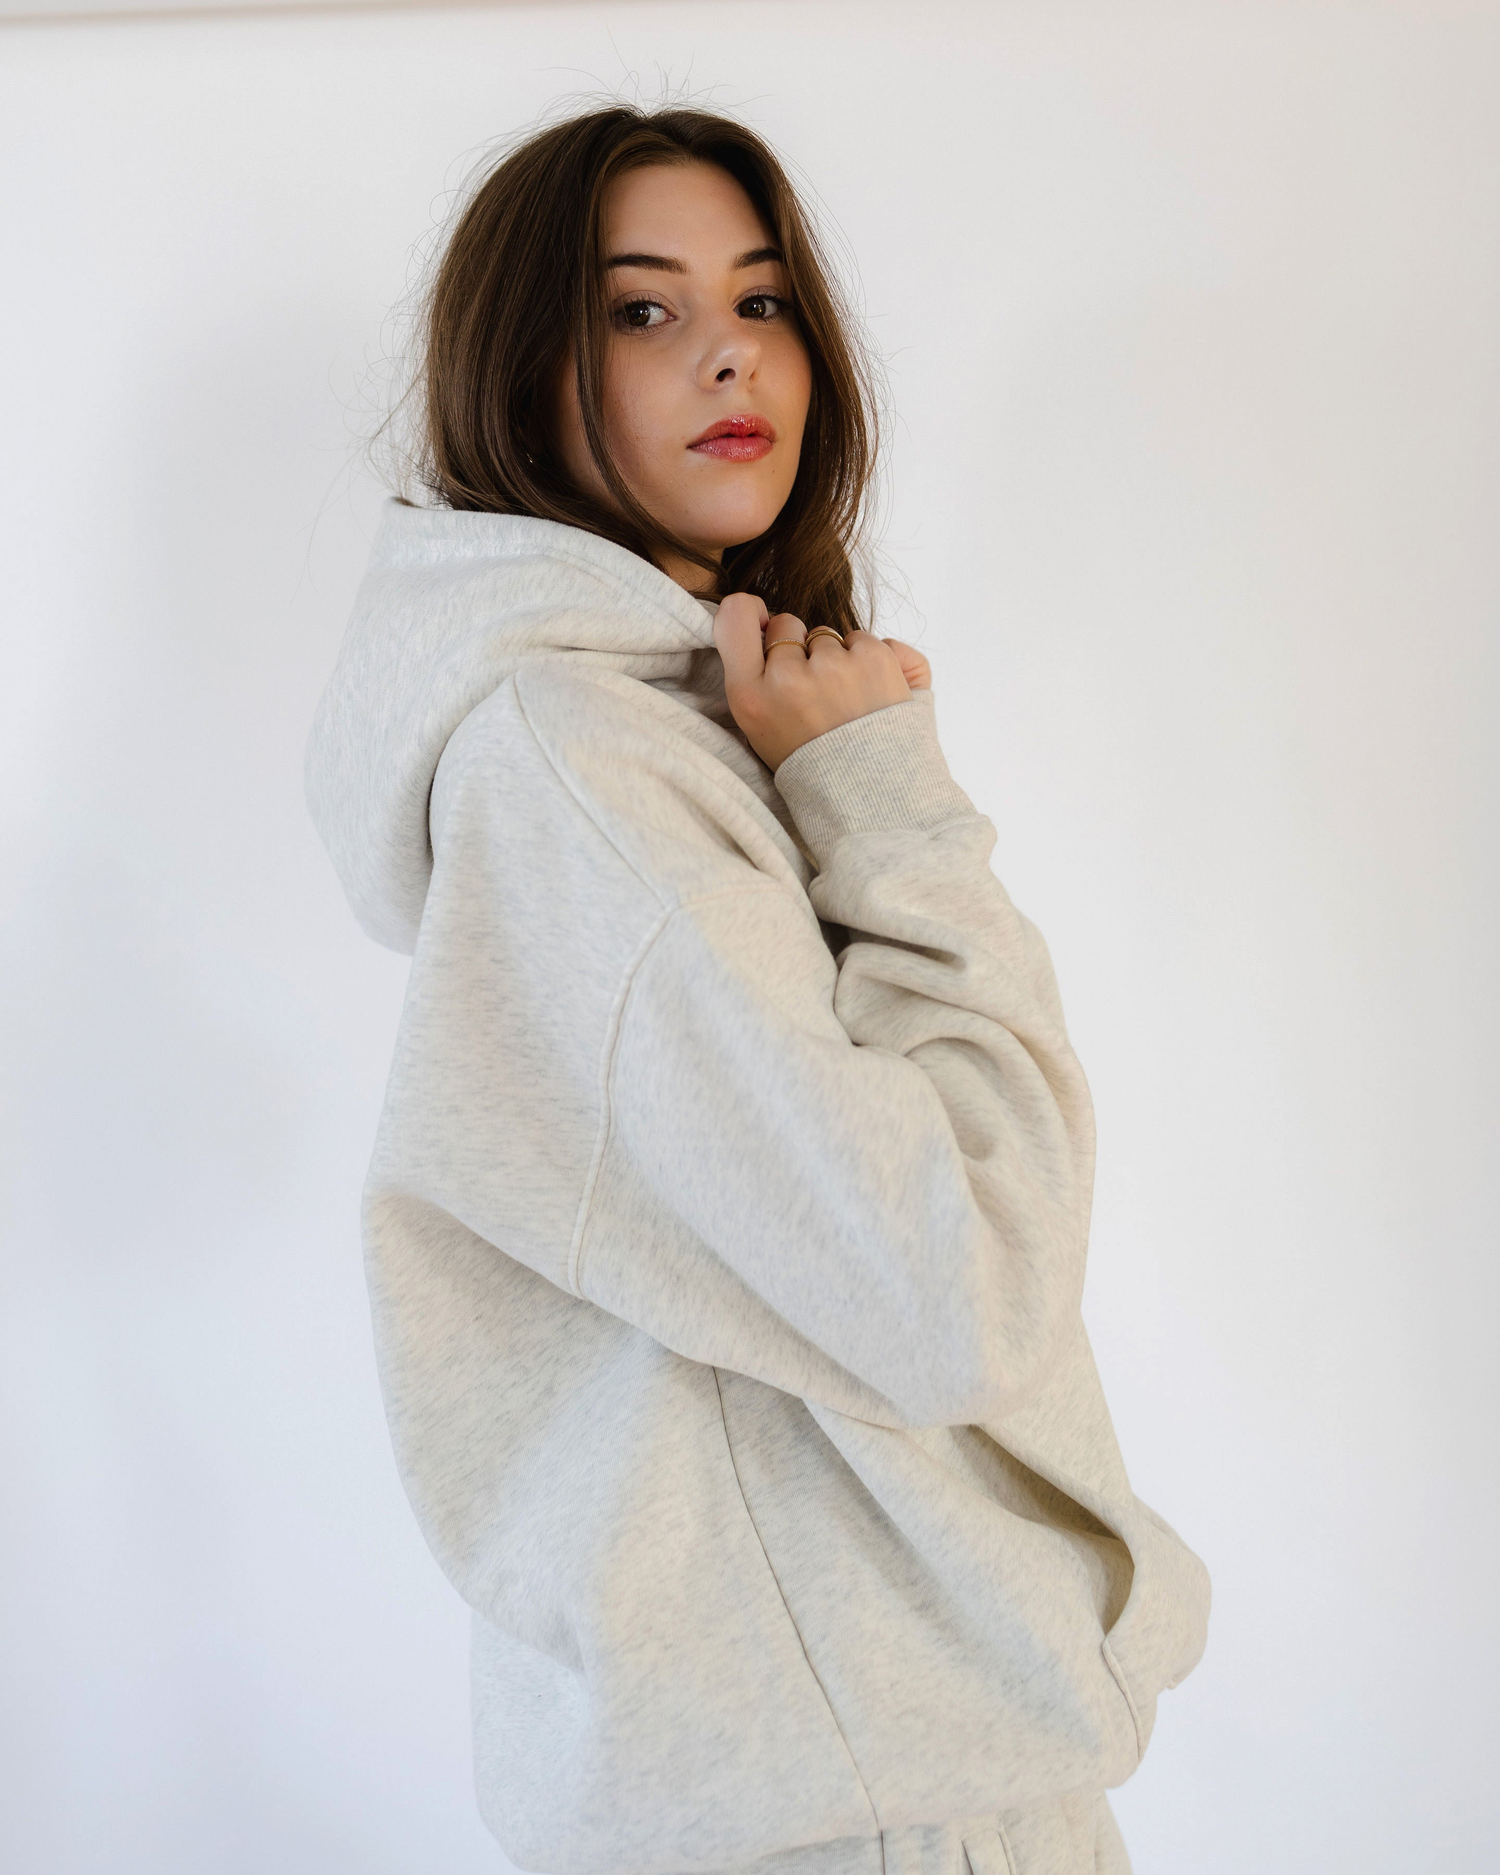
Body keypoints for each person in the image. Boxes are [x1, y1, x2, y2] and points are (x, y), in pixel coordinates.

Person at [305, 102, 1210, 1875]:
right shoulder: (584, 768)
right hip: (856, 1797)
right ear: (520, 370)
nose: (727, 347)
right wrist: (897, 815)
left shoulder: (647, 737)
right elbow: (947, 1291)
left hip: (824, 1760)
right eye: (639, 311)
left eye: (765, 297)